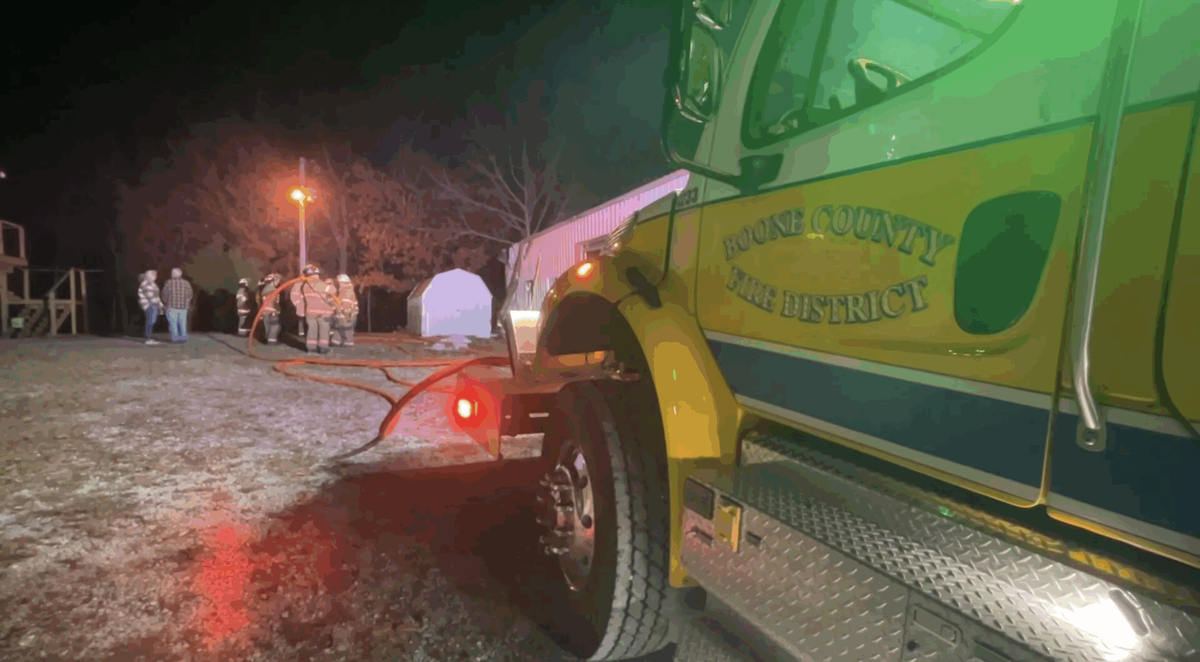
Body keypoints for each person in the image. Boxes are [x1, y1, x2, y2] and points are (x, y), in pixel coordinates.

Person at [288, 263, 336, 354]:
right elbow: (331, 290)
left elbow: (294, 295)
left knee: (311, 330)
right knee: (324, 330)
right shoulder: (318, 283)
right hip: (323, 312)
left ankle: (311, 348)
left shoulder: (303, 285)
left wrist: (300, 308)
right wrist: (331, 284)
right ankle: (323, 348)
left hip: (310, 312)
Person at [162, 267, 195, 343]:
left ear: (173, 274)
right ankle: (183, 337)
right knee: (183, 323)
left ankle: (175, 338)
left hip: (172, 306)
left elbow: (164, 294)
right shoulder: (186, 283)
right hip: (183, 307)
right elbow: (190, 294)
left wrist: (166, 302)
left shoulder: (169, 283)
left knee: (173, 323)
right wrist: (186, 301)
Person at [331, 273, 359, 347]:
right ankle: (336, 341)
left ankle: (348, 342)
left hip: (347, 314)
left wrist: (346, 314)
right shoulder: (344, 291)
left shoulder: (346, 291)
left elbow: (346, 305)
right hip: (344, 314)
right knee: (339, 327)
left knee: (346, 328)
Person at [137, 270, 163, 345]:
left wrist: (160, 304)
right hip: (150, 304)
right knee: (150, 321)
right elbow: (149, 295)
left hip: (153, 304)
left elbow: (156, 295)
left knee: (152, 321)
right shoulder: (146, 283)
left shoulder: (153, 284)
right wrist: (151, 303)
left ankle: (149, 337)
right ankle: (147, 338)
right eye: (153, 275)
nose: (155, 277)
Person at [256, 273, 283, 344]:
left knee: (268, 326)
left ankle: (269, 339)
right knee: (275, 325)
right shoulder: (272, 289)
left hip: (265, 311)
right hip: (272, 310)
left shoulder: (264, 290)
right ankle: (272, 340)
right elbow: (279, 277)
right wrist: (274, 275)